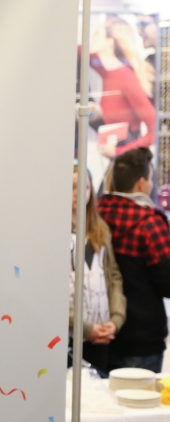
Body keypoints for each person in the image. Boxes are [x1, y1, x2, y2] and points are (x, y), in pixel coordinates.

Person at [98, 148, 170, 373]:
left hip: (100, 331)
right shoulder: (150, 223)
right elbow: (167, 283)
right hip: (142, 337)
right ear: (141, 183)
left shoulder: (96, 214)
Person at [69, 165, 126, 374]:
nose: (79, 193)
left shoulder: (100, 229)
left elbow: (113, 276)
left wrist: (116, 320)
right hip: (70, 334)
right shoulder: (53, 232)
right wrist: (84, 328)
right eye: (73, 187)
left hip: (102, 332)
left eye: (85, 187)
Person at [89, 14, 156, 159]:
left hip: (129, 163)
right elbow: (80, 53)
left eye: (98, 33)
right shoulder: (106, 71)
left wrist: (120, 151)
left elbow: (154, 129)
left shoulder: (126, 79)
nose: (92, 36)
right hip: (118, 159)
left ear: (109, 41)